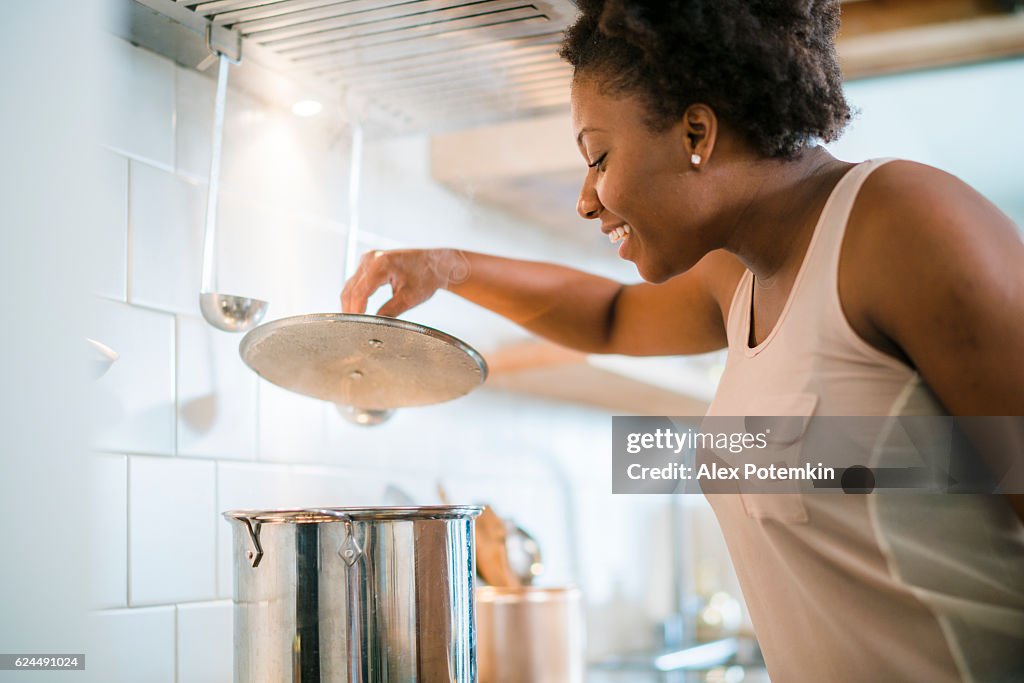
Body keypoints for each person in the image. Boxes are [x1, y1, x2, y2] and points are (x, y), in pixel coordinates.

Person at [341, 1, 1024, 680]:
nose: (587, 199)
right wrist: (449, 267)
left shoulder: (905, 223)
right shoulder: (738, 276)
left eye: (598, 156)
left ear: (696, 130)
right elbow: (608, 315)